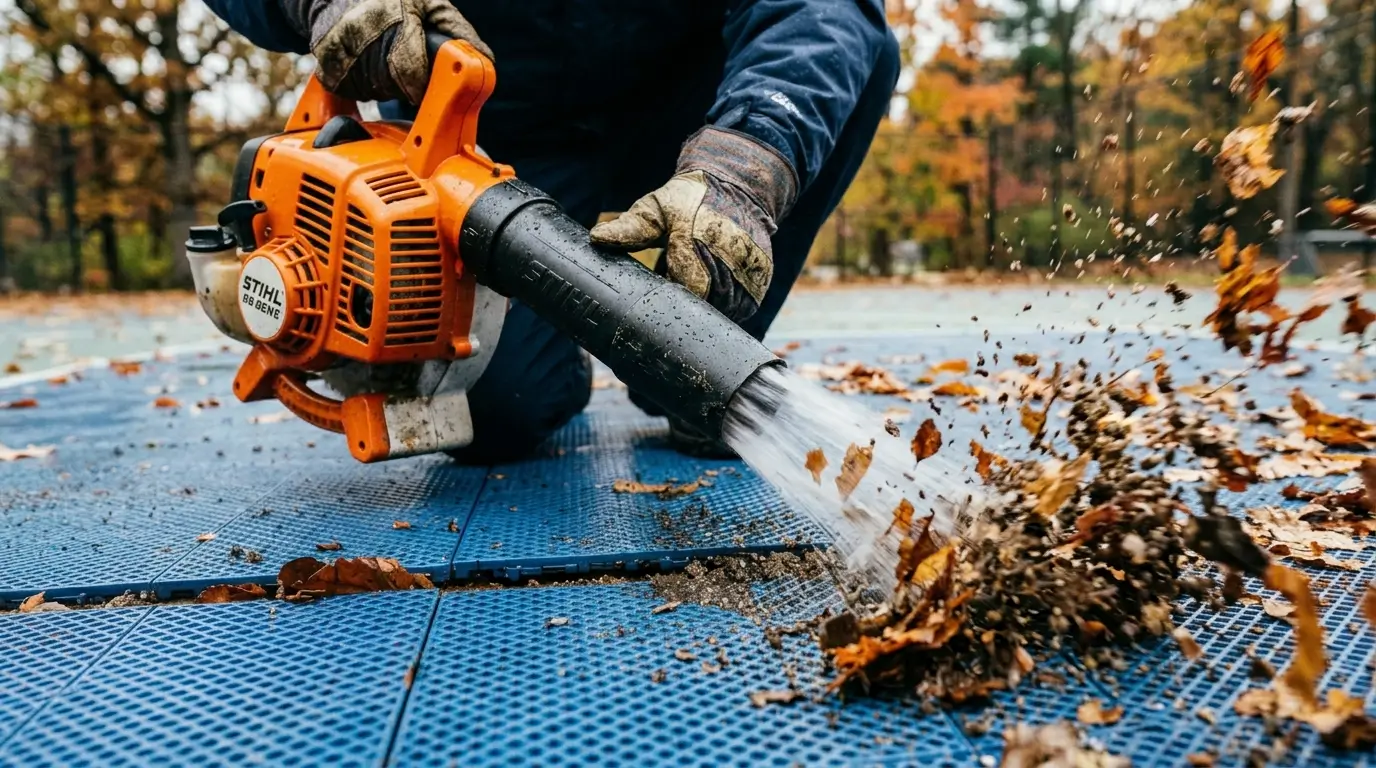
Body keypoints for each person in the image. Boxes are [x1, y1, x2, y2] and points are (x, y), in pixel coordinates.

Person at [204, 0, 898, 460]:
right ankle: (550, 363)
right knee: (493, 415)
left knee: (862, 56)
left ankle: (699, 348)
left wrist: (746, 162)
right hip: (487, 128)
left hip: (692, 109)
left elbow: (827, 11)